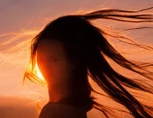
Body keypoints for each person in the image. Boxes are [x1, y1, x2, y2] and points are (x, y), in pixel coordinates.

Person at [19, 7, 153, 118]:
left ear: (74, 62)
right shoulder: (77, 109)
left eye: (54, 60)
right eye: (40, 60)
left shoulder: (56, 111)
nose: (45, 67)